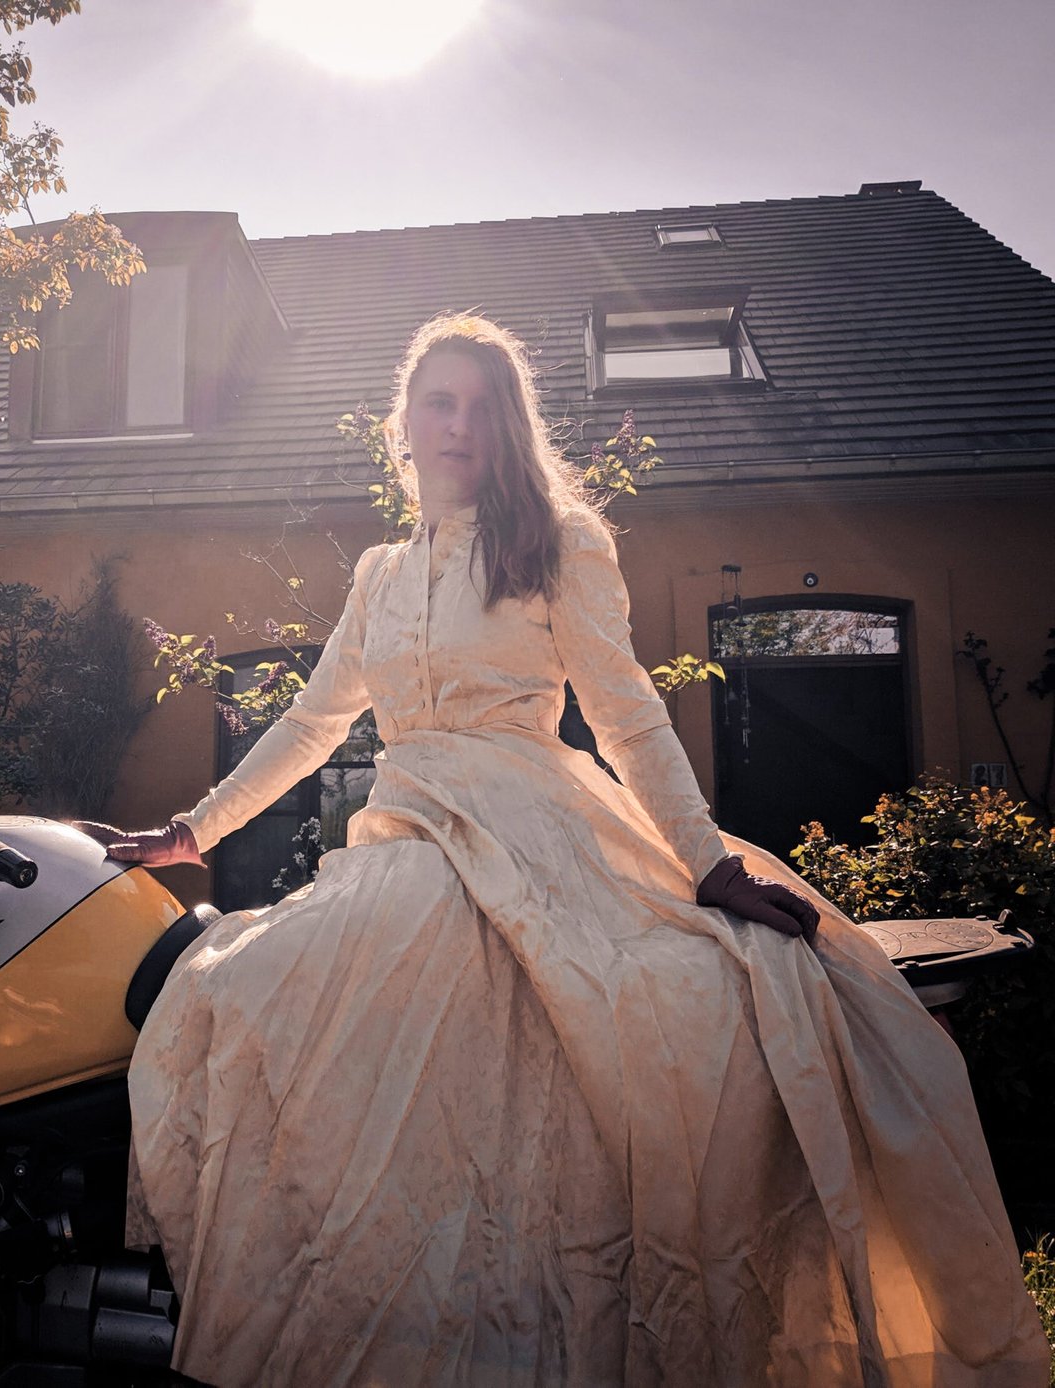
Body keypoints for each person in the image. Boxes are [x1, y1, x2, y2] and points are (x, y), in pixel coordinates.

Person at [76, 314, 1049, 1387]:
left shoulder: (558, 543)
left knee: (645, 1018)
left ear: (508, 428)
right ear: (402, 423)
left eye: (479, 408)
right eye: (437, 403)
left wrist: (706, 862)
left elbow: (627, 714)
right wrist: (192, 829)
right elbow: (311, 724)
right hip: (407, 832)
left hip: (536, 828)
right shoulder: (379, 576)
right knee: (243, 989)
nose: (456, 426)